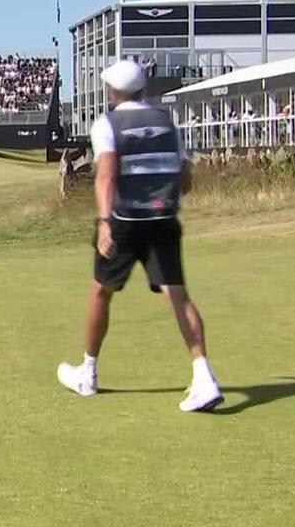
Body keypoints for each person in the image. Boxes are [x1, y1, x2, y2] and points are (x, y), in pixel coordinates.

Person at [57, 60, 223, 412]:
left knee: (101, 291)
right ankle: (204, 376)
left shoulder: (107, 124)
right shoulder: (166, 122)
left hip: (124, 220)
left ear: (114, 92)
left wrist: (104, 222)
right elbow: (185, 176)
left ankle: (88, 373)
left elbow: (105, 176)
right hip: (163, 219)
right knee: (177, 295)